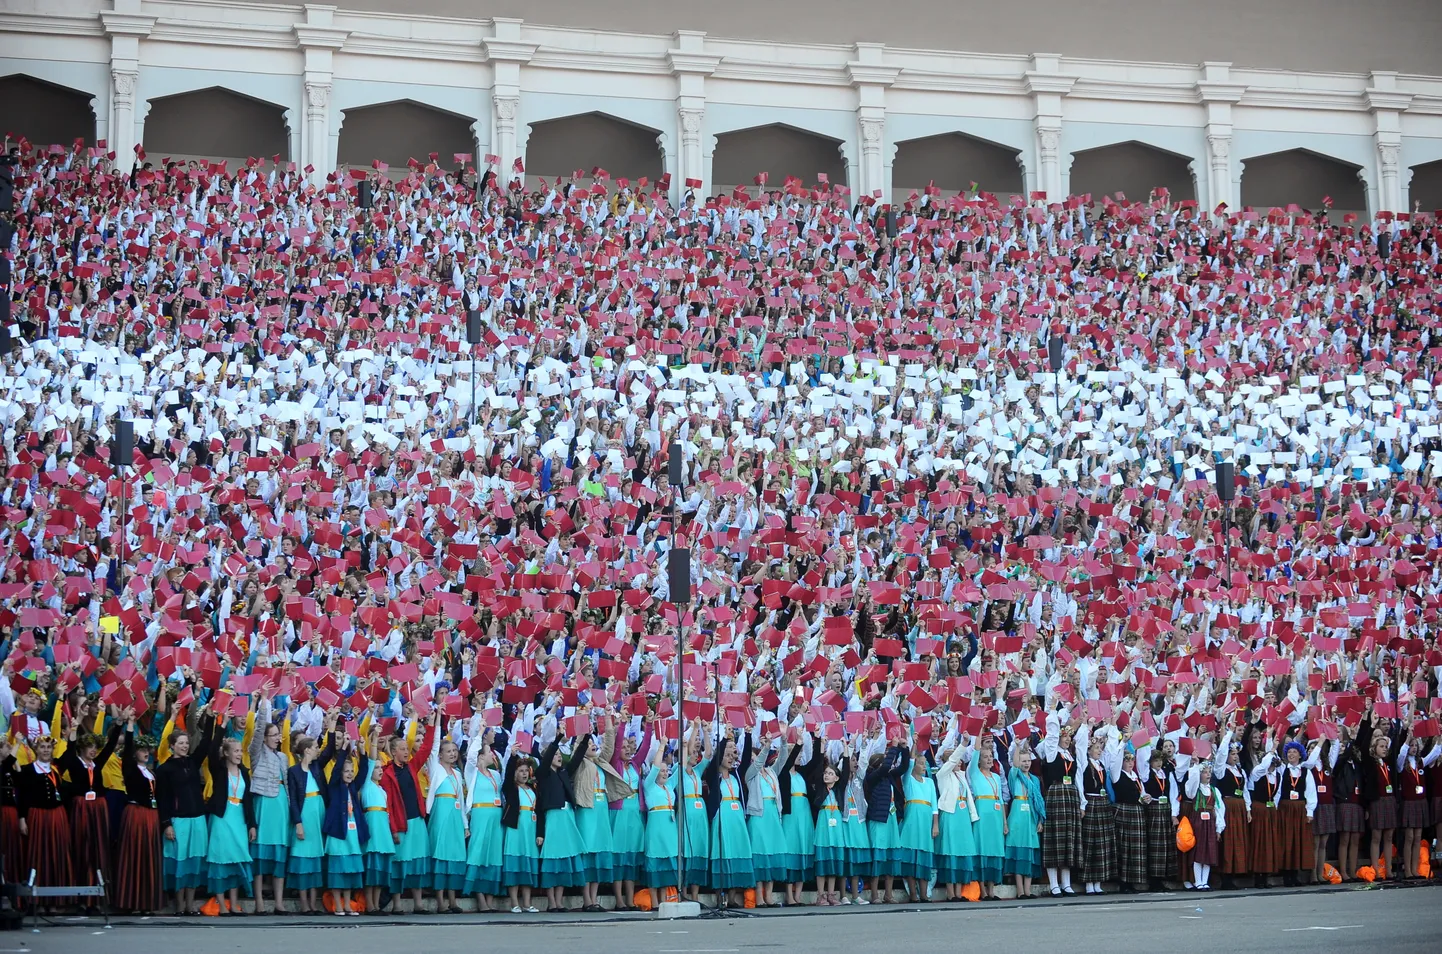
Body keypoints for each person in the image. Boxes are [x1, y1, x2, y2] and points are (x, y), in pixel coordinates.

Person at [59, 707, 122, 905]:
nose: (93, 750)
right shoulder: (75, 763)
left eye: (95, 747)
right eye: (90, 747)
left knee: (97, 850)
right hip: (81, 809)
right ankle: (80, 899)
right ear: (82, 748)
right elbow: (69, 751)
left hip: (98, 809)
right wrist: (74, 729)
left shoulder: (98, 764)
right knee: (82, 848)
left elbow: (110, 746)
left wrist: (119, 724)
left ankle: (95, 899)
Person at [157, 710, 211, 915]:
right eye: (180, 743)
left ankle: (190, 903)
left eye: (186, 743)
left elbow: (205, 744)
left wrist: (213, 717)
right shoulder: (165, 769)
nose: (185, 746)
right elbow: (163, 799)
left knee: (194, 863)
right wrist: (166, 823)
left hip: (197, 819)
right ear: (171, 746)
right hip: (178, 821)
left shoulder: (192, 762)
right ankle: (179, 905)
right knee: (180, 863)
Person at [380, 717, 437, 910]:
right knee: (399, 864)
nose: (406, 752)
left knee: (418, 863)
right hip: (401, 824)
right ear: (393, 752)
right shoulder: (387, 774)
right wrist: (393, 830)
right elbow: (389, 805)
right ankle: (396, 904)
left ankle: (418, 903)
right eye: (403, 749)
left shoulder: (412, 767)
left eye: (407, 749)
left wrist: (432, 723)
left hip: (417, 821)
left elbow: (426, 748)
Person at [15, 733, 74, 911]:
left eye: (48, 747)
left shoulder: (56, 768)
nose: (46, 751)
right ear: (36, 749)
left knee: (57, 853)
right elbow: (22, 796)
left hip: (57, 815)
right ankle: (37, 900)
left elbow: (70, 753)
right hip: (37, 816)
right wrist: (22, 818)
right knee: (39, 854)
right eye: (42, 747)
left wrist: (74, 728)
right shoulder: (27, 770)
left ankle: (55, 901)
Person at [204, 718, 255, 915]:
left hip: (238, 818)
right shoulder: (219, 770)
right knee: (220, 859)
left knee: (236, 860)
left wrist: (252, 824)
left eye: (240, 751)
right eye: (235, 751)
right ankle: (221, 903)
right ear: (226, 753)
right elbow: (211, 750)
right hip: (222, 818)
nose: (239, 755)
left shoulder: (244, 772)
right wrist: (222, 725)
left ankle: (233, 904)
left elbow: (248, 800)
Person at [246, 689, 291, 914]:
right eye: (272, 735)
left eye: (277, 735)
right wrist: (264, 704)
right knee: (261, 857)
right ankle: (259, 903)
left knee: (279, 857)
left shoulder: (283, 757)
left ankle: (279, 902)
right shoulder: (256, 753)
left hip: (281, 804)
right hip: (264, 803)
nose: (276, 737)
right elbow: (257, 731)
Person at [114, 712, 162, 914]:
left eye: (147, 750)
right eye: (141, 750)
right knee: (134, 857)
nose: (146, 753)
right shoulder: (131, 769)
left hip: (150, 815)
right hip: (135, 814)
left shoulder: (150, 771)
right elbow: (126, 752)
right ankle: (129, 901)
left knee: (148, 859)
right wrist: (131, 725)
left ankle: (146, 902)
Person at [534, 725, 586, 911]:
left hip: (566, 817)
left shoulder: (563, 773)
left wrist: (586, 737)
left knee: (564, 859)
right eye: (554, 754)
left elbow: (577, 760)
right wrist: (557, 740)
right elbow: (546, 759)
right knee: (552, 858)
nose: (557, 757)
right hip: (553, 817)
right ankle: (551, 902)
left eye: (558, 754)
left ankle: (559, 900)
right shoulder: (543, 774)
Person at [286, 717, 332, 915]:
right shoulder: (294, 771)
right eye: (314, 747)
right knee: (304, 860)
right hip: (305, 813)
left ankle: (314, 904)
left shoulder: (316, 767)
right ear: (306, 750)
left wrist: (331, 724)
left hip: (318, 812)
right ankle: (304, 904)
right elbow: (294, 800)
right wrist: (298, 823)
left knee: (315, 859)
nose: (317, 750)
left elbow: (329, 751)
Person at [703, 733, 754, 907]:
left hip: (736, 816)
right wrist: (724, 739)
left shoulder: (736, 776)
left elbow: (746, 759)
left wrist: (747, 735)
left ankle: (732, 896)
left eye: (732, 756)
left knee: (736, 852)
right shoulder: (713, 775)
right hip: (722, 815)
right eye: (727, 756)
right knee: (723, 851)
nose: (731, 759)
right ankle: (720, 895)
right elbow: (715, 757)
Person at [424, 718, 469, 913]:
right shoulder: (436, 769)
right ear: (441, 754)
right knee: (441, 855)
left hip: (455, 816)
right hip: (441, 814)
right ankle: (441, 901)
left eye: (454, 751)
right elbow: (433, 745)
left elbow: (462, 801)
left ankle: (453, 900)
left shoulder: (458, 774)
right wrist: (438, 721)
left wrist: (465, 825)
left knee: (454, 855)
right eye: (448, 751)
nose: (452, 754)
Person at [1037, 711, 1084, 896]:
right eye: (1064, 736)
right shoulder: (1051, 752)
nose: (1066, 740)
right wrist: (1052, 708)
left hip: (1070, 796)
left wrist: (1082, 803)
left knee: (1067, 841)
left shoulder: (1070, 756)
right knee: (1055, 840)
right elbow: (1051, 733)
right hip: (1056, 794)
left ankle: (1066, 883)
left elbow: (1077, 779)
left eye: (1068, 737)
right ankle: (1054, 884)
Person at [322, 731, 368, 916]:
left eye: (351, 771)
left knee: (350, 871)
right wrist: (343, 750)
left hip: (353, 833)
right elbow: (335, 771)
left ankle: (348, 904)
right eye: (346, 771)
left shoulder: (353, 787)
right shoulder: (334, 786)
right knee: (338, 871)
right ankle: (338, 905)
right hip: (339, 833)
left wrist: (362, 752)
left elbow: (363, 772)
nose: (349, 774)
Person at [607, 714, 649, 910]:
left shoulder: (635, 765)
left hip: (634, 814)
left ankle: (631, 899)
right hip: (620, 813)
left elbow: (646, 747)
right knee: (619, 857)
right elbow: (616, 748)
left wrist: (649, 725)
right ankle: (619, 900)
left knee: (631, 857)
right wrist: (622, 723)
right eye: (623, 747)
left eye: (629, 747)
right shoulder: (615, 763)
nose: (627, 750)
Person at [742, 728, 787, 907]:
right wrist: (765, 748)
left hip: (773, 814)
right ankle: (759, 896)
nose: (757, 761)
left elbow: (783, 759)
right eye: (754, 758)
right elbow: (758, 763)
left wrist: (783, 739)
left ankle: (769, 895)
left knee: (772, 853)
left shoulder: (771, 772)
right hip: (759, 815)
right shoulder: (750, 775)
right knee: (760, 854)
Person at [463, 722, 505, 911]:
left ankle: (489, 898)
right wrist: (480, 732)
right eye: (489, 753)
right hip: (480, 815)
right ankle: (479, 897)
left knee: (493, 853)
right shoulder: (472, 772)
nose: (492, 755)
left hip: (495, 816)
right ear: (481, 756)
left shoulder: (495, 774)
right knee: (479, 850)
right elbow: (471, 755)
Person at [933, 730, 978, 901]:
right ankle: (951, 893)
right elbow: (951, 760)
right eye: (954, 759)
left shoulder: (961, 776)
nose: (958, 761)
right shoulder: (942, 774)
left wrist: (973, 816)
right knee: (951, 853)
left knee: (962, 852)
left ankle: (959, 892)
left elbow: (968, 798)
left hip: (962, 816)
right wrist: (963, 744)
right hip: (951, 815)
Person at [861, 740, 906, 904]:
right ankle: (874, 894)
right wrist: (893, 748)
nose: (889, 766)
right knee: (878, 857)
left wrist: (903, 749)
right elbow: (886, 767)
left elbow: (903, 767)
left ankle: (888, 894)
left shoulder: (889, 777)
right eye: (884, 764)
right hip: (878, 820)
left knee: (891, 857)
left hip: (891, 819)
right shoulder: (872, 777)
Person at [359, 726, 395, 915]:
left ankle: (377, 903)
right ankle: (370, 904)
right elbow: (372, 759)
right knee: (371, 866)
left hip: (383, 827)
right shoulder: (366, 784)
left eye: (382, 768)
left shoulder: (382, 790)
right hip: (372, 824)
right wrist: (374, 739)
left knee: (380, 868)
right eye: (377, 769)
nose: (380, 771)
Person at [499, 747, 539, 913]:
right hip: (516, 829)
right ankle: (514, 903)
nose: (523, 774)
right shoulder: (511, 787)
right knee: (515, 866)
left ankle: (527, 903)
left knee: (527, 867)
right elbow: (507, 777)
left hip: (530, 830)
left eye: (525, 771)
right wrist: (513, 756)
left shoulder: (532, 789)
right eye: (520, 771)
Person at [809, 742, 849, 906]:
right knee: (822, 861)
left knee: (833, 861)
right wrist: (821, 747)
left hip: (836, 827)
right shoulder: (820, 788)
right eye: (826, 773)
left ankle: (832, 894)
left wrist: (846, 749)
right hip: (824, 826)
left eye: (830, 773)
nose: (826, 775)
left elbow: (846, 771)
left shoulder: (839, 789)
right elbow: (818, 767)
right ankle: (821, 895)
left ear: (837, 777)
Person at [779, 733, 816, 906]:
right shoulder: (784, 773)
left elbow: (816, 761)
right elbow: (787, 763)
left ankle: (798, 895)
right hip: (791, 813)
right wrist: (798, 744)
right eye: (798, 755)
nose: (800, 757)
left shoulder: (801, 773)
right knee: (790, 848)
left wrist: (818, 739)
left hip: (804, 813)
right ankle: (788, 894)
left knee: (803, 846)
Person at [897, 742, 937, 903]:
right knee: (911, 857)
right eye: (920, 764)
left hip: (926, 821)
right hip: (912, 821)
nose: (923, 766)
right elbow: (910, 761)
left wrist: (935, 824)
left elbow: (934, 805)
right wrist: (914, 744)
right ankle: (913, 893)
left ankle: (924, 893)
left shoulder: (930, 783)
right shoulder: (908, 780)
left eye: (925, 764)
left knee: (924, 857)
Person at [1004, 744, 1044, 900]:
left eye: (1028, 761)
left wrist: (1040, 819)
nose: (1026, 764)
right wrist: (1017, 747)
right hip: (1018, 815)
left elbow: (1039, 801)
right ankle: (1020, 891)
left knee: (1030, 853)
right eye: (1023, 761)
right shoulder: (1015, 775)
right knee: (1019, 853)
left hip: (1031, 816)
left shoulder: (1034, 779)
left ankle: (1028, 890)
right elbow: (1013, 765)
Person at [968, 741, 1006, 900]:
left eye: (991, 756)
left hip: (996, 816)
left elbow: (1002, 801)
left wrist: (1004, 822)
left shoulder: (997, 777)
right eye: (985, 757)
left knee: (994, 850)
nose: (989, 759)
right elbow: (975, 750)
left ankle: (991, 889)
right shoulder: (975, 773)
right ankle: (982, 890)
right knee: (982, 848)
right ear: (979, 760)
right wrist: (980, 730)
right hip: (982, 815)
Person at [1275, 740, 1317, 886]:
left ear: (1300, 755)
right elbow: (1277, 791)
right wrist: (1275, 808)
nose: (1291, 754)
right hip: (1285, 808)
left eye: (1294, 752)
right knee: (1286, 840)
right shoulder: (1282, 770)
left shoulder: (1306, 772)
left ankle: (1295, 874)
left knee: (1298, 841)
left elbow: (1311, 792)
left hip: (1299, 809)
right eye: (1289, 752)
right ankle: (1287, 875)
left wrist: (1309, 811)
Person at [641, 737, 678, 894]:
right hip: (656, 827)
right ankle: (655, 901)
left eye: (666, 770)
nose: (664, 773)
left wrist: (683, 745)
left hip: (670, 828)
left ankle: (664, 900)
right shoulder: (649, 785)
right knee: (655, 861)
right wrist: (662, 745)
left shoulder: (669, 785)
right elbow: (655, 767)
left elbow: (681, 767)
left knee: (667, 863)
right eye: (661, 771)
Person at [1181, 761, 1225, 891]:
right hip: (1198, 822)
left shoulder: (1214, 790)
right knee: (1198, 852)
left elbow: (1219, 809)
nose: (1208, 775)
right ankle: (1198, 881)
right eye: (1205, 772)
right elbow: (1190, 785)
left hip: (1210, 823)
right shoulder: (1196, 789)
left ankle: (1205, 881)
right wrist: (1195, 765)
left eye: (1209, 773)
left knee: (1209, 853)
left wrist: (1219, 828)